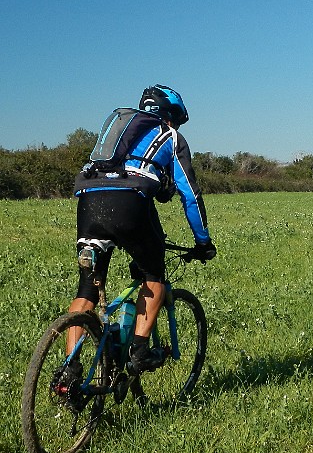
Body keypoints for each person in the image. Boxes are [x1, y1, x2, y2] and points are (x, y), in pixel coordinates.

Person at [67, 84, 216, 376]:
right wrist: (203, 241)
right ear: (170, 115)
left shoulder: (120, 138)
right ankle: (139, 351)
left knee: (86, 290)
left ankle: (69, 370)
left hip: (88, 199)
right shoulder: (171, 136)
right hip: (128, 203)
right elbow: (190, 194)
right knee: (154, 276)